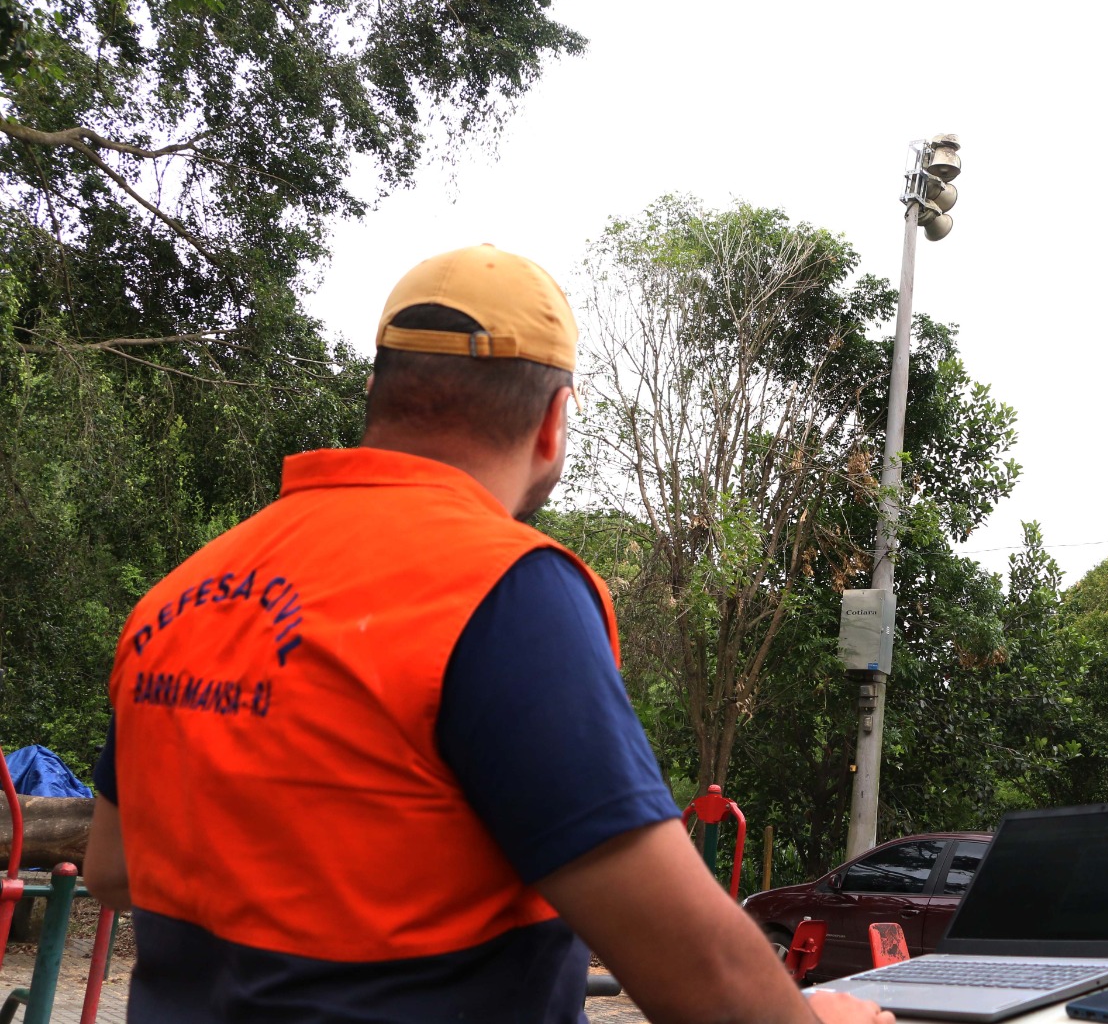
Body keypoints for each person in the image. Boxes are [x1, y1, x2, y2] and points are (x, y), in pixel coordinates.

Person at [84, 245, 893, 1024]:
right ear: (552, 422)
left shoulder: (181, 595)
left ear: (378, 392)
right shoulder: (504, 590)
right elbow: (702, 980)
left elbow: (113, 868)